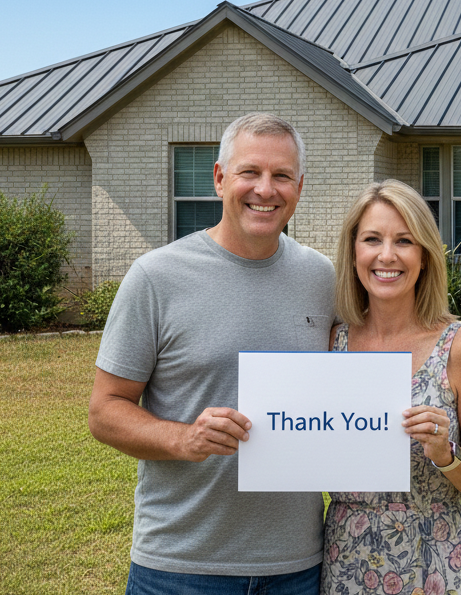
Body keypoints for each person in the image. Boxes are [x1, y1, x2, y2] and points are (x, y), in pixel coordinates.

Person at [88, 113, 336, 595]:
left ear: (299, 187)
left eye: (281, 175)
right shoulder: (156, 277)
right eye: (250, 172)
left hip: (297, 565)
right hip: (180, 566)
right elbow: (104, 411)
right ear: (220, 178)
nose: (266, 189)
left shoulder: (321, 278)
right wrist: (185, 439)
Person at [321, 180, 461, 595]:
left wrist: (447, 454)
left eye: (404, 241)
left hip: (433, 560)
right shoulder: (332, 345)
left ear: (424, 256)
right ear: (353, 254)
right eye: (372, 239)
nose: (387, 255)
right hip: (345, 560)